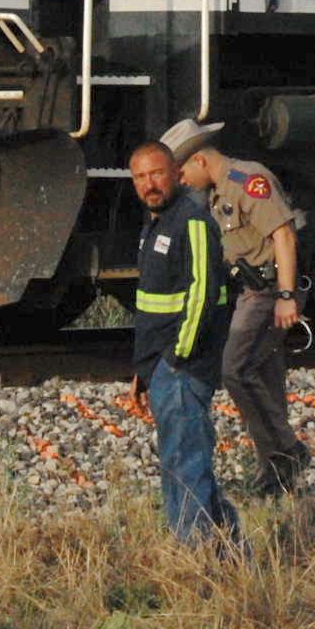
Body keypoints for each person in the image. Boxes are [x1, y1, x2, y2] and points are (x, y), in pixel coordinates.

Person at [161, 118, 313, 497]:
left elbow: (284, 234)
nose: (179, 180)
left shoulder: (248, 181)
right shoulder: (217, 192)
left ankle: (287, 452)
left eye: (181, 171)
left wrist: (286, 296)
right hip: (250, 291)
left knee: (236, 369)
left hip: (267, 292)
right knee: (265, 377)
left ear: (199, 160)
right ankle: (277, 475)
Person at [126, 139, 239, 543]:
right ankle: (227, 547)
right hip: (161, 368)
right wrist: (144, 370)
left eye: (156, 173)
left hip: (183, 367)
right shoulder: (155, 223)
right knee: (178, 458)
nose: (148, 183)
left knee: (185, 459)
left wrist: (176, 358)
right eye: (140, 177)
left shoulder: (190, 221)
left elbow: (202, 293)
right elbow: (153, 307)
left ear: (176, 173)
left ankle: (196, 550)